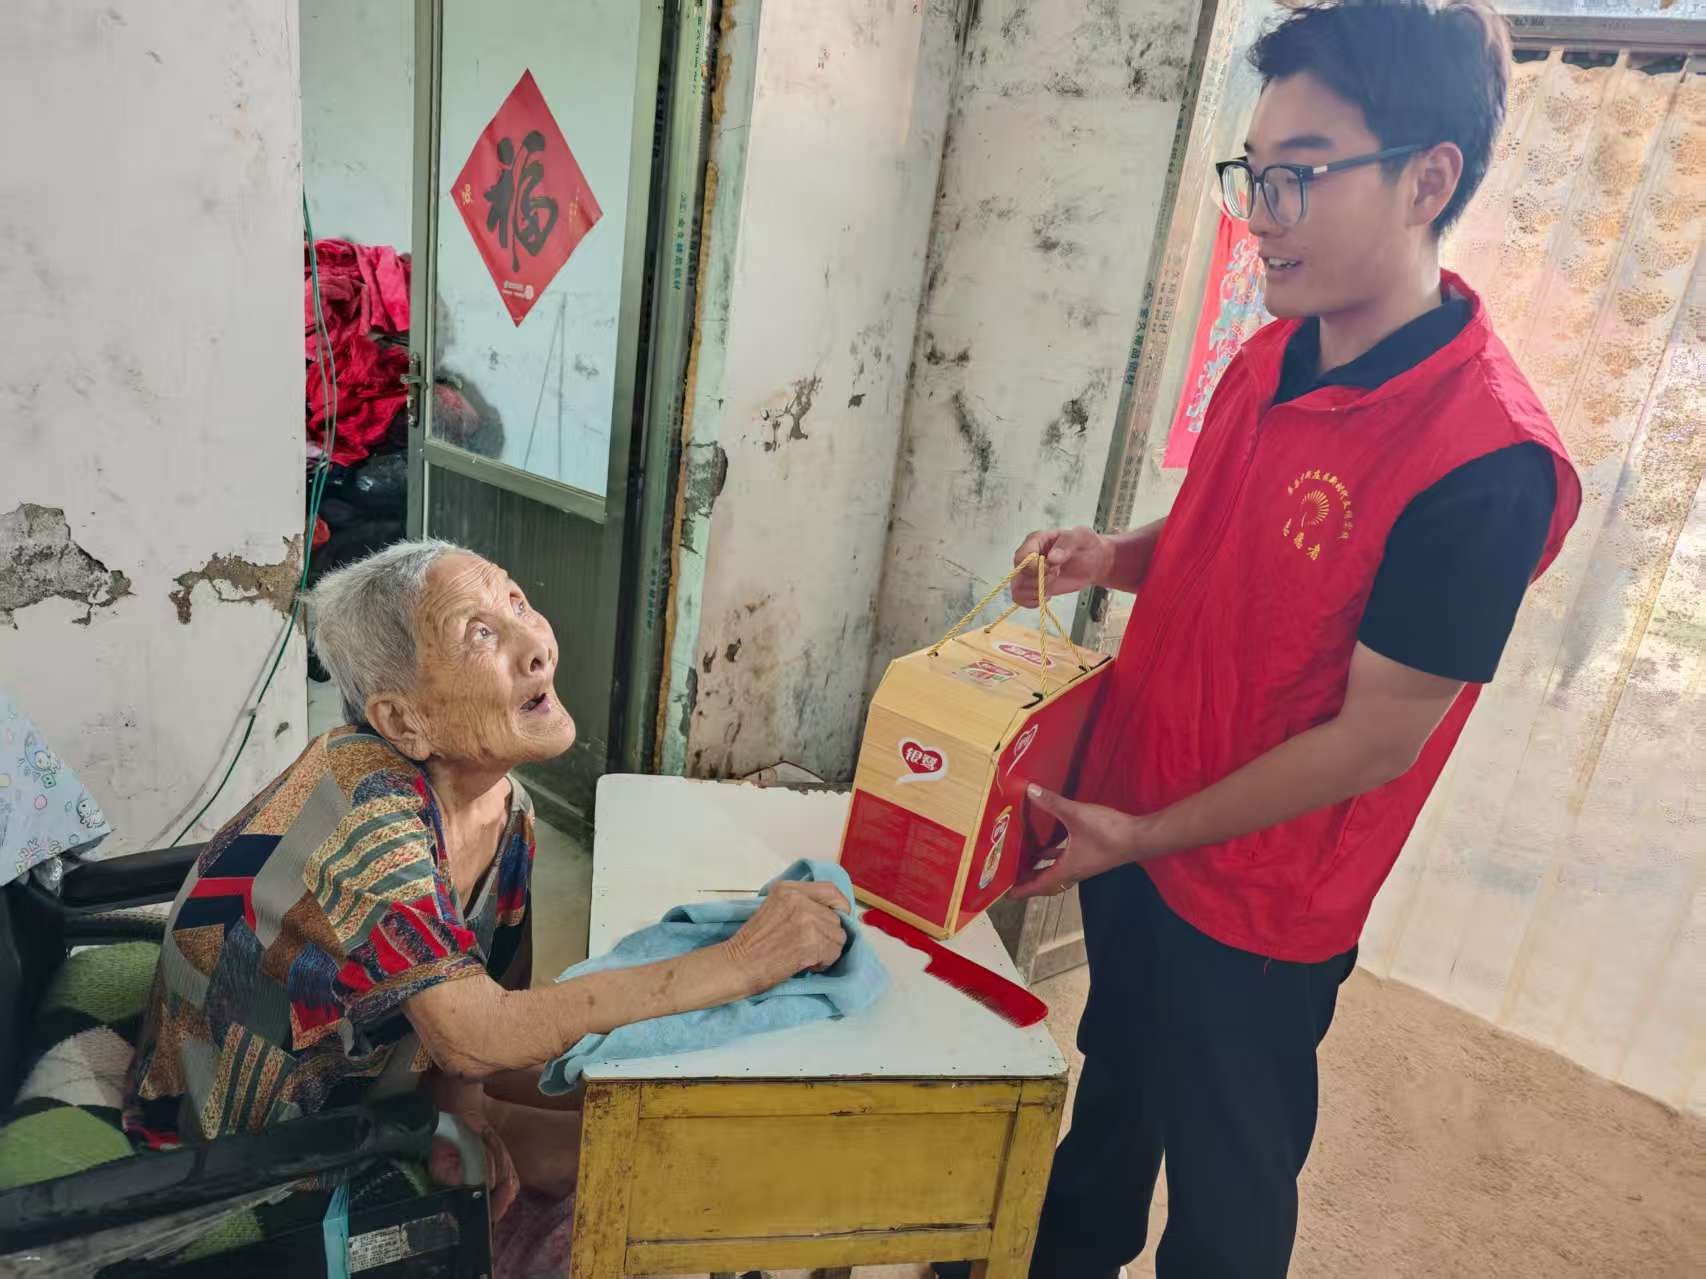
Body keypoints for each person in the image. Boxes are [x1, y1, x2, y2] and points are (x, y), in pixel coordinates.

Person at [998, 2, 1582, 1275]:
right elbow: (1223, 528)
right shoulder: (1271, 353)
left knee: (1228, 1178)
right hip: (1136, 811)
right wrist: (1113, 556)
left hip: (1260, 897)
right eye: (1252, 174)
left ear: (1426, 179)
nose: (1258, 215)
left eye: (1298, 175)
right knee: (1114, 1083)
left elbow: (1374, 740)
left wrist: (1147, 834)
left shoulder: (1484, 462)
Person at [124, 540, 849, 1248]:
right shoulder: (367, 812)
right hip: (246, 1146)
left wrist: (465, 1114)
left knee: (654, 1124)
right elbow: (480, 1032)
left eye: (517, 603)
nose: (536, 646)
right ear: (404, 720)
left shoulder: (508, 810)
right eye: (480, 633)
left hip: (382, 1076)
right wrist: (744, 960)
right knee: (648, 1163)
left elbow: (494, 1002)